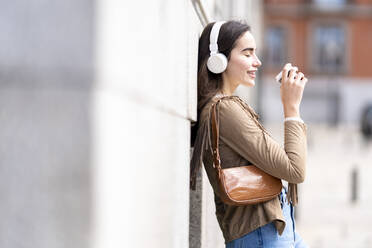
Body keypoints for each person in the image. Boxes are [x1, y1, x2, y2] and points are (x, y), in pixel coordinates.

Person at [190, 20, 309, 247]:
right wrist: (291, 108)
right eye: (247, 54)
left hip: (274, 227)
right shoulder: (225, 109)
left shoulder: (226, 106)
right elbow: (295, 169)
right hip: (261, 234)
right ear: (219, 60)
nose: (257, 62)